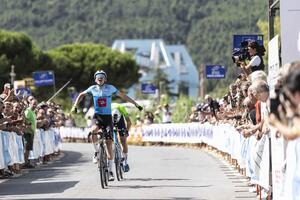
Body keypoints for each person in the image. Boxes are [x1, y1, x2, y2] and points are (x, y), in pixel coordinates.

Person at [71, 70, 142, 181]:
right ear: (95, 79)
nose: (100, 78)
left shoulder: (110, 88)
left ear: (105, 79)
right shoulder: (92, 89)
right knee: (94, 130)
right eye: (98, 77)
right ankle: (96, 152)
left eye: (102, 77)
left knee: (109, 144)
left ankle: (110, 171)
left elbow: (123, 96)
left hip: (108, 117)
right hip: (97, 116)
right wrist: (75, 105)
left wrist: (136, 104)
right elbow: (81, 95)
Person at [111, 103, 132, 172]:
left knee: (123, 140)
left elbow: (129, 122)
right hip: (109, 121)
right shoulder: (107, 108)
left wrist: (126, 131)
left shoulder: (121, 107)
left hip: (121, 122)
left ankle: (125, 162)